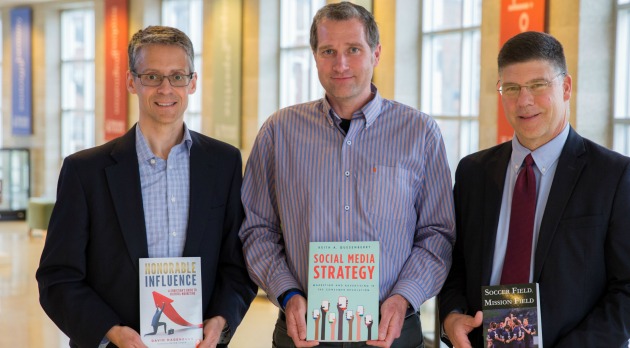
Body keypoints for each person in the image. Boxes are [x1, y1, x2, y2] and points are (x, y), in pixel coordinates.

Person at [239, 2, 455, 347]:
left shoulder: (420, 133)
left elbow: (437, 234)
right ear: (314, 55)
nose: (340, 64)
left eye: (353, 49)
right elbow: (257, 229)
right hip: (303, 331)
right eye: (328, 51)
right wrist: (287, 292)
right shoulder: (278, 133)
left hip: (393, 329)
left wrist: (404, 297)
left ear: (376, 53)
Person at [36, 25, 257, 348]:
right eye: (152, 76)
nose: (166, 88)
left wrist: (222, 319)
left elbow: (236, 264)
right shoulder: (85, 172)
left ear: (192, 82)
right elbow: (58, 277)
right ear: (131, 82)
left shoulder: (223, 164)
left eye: (177, 76)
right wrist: (111, 332)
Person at [438, 31, 630, 347]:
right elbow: (453, 262)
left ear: (566, 87)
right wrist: (451, 316)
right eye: (511, 88)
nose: (523, 100)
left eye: (538, 85)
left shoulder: (614, 176)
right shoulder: (473, 172)